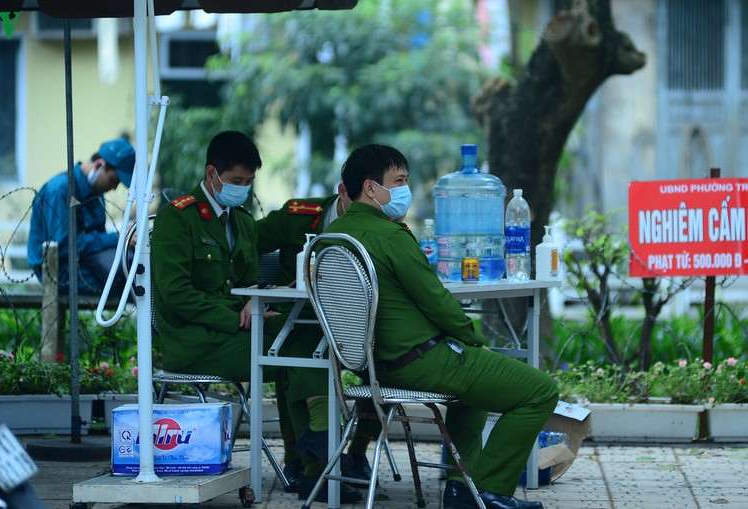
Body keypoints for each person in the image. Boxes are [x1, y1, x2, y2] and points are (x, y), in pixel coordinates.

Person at [324, 144, 559, 509]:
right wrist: (473, 338)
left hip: (376, 369)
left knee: (476, 392)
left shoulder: (333, 237)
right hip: (421, 363)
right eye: (398, 181)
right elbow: (436, 300)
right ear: (371, 188)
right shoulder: (391, 237)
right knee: (540, 390)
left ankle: (459, 488)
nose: (404, 188)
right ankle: (491, 490)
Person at [150, 131, 361, 504]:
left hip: (238, 331)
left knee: (309, 332)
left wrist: (255, 301)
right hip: (194, 342)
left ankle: (315, 457)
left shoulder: (243, 222)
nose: (243, 189)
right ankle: (319, 460)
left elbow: (246, 282)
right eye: (235, 182)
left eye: (248, 183)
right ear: (211, 173)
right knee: (297, 348)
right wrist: (236, 316)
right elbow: (176, 294)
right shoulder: (177, 218)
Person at [256, 184, 379, 486]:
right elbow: (245, 246)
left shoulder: (383, 225)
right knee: (296, 351)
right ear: (343, 191)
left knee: (392, 357)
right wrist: (258, 292)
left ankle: (357, 451)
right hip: (297, 316)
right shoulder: (299, 215)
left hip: (355, 321)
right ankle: (303, 458)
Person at [27, 138, 135, 295]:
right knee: (128, 286)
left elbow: (96, 241)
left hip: (83, 263)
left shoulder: (96, 195)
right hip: (57, 270)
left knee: (135, 277)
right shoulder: (61, 190)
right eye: (113, 180)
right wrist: (118, 238)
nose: (113, 188)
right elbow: (64, 246)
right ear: (99, 165)